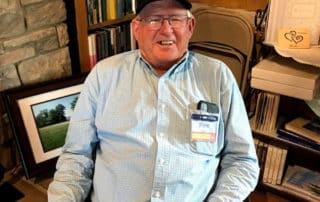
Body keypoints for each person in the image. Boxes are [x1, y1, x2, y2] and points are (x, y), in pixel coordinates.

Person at [48, 0, 260, 201]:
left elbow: (242, 161)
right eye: (154, 19)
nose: (166, 29)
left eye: (175, 19)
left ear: (190, 26)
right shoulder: (104, 75)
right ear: (136, 28)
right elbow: (76, 155)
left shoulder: (218, 76)